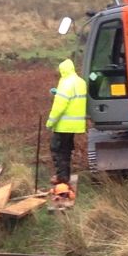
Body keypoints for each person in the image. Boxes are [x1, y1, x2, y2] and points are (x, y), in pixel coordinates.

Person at [45, 58, 87, 199]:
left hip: (63, 125)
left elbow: (59, 106)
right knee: (66, 150)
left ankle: (62, 180)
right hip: (75, 125)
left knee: (57, 150)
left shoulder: (65, 83)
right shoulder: (80, 82)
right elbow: (73, 99)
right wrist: (58, 92)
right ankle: (65, 176)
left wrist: (50, 122)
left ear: (63, 70)